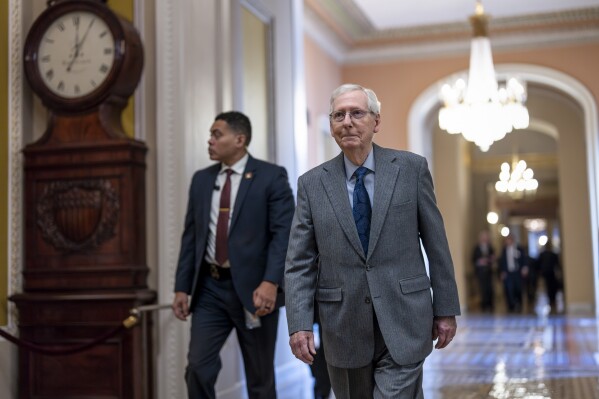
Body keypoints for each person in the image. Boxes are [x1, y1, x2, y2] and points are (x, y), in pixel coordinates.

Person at [285, 84, 461, 398]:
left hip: (406, 316)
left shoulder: (410, 169)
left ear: (376, 122)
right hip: (343, 325)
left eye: (356, 113)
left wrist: (445, 308)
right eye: (339, 115)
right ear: (331, 125)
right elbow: (299, 262)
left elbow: (437, 244)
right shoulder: (311, 184)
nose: (347, 122)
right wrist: (299, 323)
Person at [172, 111, 295, 399]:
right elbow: (191, 236)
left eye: (217, 134)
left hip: (255, 291)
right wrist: (181, 286)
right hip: (209, 290)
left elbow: (284, 235)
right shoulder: (201, 180)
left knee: (259, 378)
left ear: (240, 139)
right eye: (211, 135)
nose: (210, 140)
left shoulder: (270, 176)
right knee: (198, 369)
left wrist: (271, 282)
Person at [498, 234, 528, 313]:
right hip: (508, 273)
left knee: (518, 289)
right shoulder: (504, 250)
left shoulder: (519, 249)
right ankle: (511, 306)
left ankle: (519, 304)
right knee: (509, 289)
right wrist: (502, 272)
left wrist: (525, 268)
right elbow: (502, 262)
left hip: (517, 272)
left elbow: (524, 259)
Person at [471, 230, 496, 313]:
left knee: (490, 289)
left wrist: (491, 260)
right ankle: (484, 305)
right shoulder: (476, 248)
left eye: (486, 238)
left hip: (489, 271)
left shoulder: (490, 247)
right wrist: (480, 261)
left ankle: (490, 305)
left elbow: (493, 257)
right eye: (483, 238)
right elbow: (473, 259)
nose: (485, 239)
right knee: (482, 289)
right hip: (481, 272)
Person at [535, 242, 562, 313]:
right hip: (550, 273)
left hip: (547, 273)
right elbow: (557, 265)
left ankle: (551, 299)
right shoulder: (552, 254)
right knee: (551, 286)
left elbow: (538, 264)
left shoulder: (543, 255)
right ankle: (552, 299)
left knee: (549, 286)